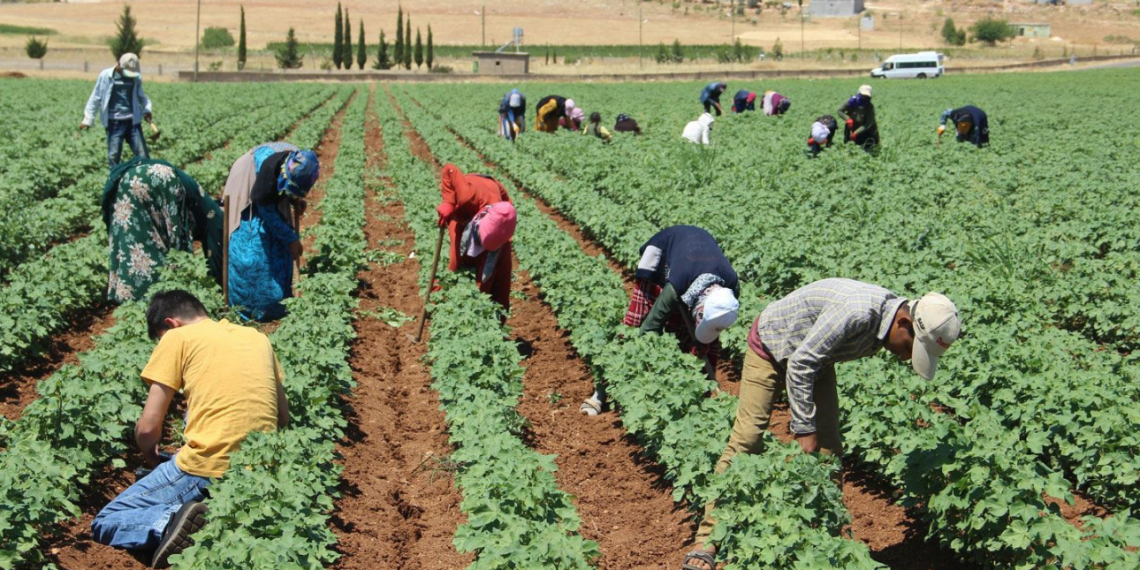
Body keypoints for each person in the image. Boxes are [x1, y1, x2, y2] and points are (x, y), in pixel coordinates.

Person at [681, 280, 961, 570]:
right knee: (748, 439)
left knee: (829, 447)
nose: (906, 357)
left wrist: (815, 433)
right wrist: (805, 429)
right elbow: (800, 364)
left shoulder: (887, 323)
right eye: (910, 347)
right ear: (903, 323)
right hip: (771, 345)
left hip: (815, 360)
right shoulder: (859, 313)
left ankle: (823, 538)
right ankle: (707, 540)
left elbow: (811, 359)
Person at [91, 290, 289, 568]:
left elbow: (148, 427)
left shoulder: (177, 338)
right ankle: (214, 516)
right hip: (260, 467)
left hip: (206, 467)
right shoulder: (258, 338)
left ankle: (173, 522)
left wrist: (150, 457)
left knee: (106, 520)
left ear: (170, 324)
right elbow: (282, 417)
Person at [581, 226, 740, 416]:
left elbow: (709, 335)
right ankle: (600, 393)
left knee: (704, 344)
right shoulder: (677, 284)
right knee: (633, 328)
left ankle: (701, 398)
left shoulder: (729, 292)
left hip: (694, 262)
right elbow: (649, 328)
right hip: (663, 259)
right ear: (698, 308)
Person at [101, 157, 224, 303]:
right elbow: (215, 244)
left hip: (127, 179)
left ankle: (132, 293)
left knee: (133, 236)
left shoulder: (201, 200)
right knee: (174, 243)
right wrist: (219, 282)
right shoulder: (216, 218)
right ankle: (167, 294)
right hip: (161, 179)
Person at [223, 142, 320, 321]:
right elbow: (265, 205)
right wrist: (290, 238)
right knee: (252, 251)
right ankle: (249, 309)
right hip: (248, 184)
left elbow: (287, 186)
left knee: (277, 250)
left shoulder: (298, 164)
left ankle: (277, 306)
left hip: (268, 188)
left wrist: (294, 200)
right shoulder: (268, 165)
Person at [436, 163, 517, 315]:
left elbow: (487, 270)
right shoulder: (468, 197)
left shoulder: (506, 221)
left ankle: (497, 326)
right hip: (464, 213)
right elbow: (449, 168)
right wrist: (449, 202)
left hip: (496, 205)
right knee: (455, 265)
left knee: (499, 276)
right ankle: (438, 306)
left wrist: (479, 295)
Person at [80, 52, 152, 169]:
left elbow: (141, 96)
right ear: (119, 64)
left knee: (143, 154)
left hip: (133, 121)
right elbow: (96, 97)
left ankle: (147, 180)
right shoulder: (106, 76)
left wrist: (147, 110)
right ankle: (115, 182)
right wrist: (88, 119)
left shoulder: (135, 77)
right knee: (114, 156)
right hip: (114, 122)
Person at [839, 84, 879, 151]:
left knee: (868, 146)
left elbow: (867, 124)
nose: (864, 98)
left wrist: (855, 133)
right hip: (852, 125)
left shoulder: (870, 107)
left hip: (865, 129)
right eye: (863, 95)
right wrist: (847, 119)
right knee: (848, 144)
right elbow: (839, 111)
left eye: (866, 96)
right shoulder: (851, 102)